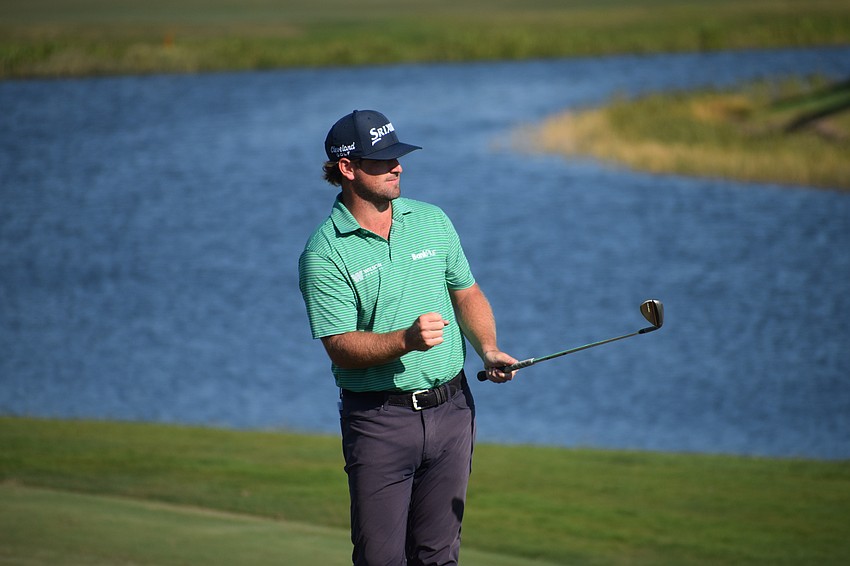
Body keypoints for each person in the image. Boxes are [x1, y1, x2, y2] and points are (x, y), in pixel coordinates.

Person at [298, 109, 517, 566]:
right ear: (347, 169)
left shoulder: (431, 220)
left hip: (453, 409)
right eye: (382, 160)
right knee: (381, 560)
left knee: (439, 556)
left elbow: (467, 291)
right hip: (379, 421)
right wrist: (405, 341)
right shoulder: (325, 252)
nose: (398, 167)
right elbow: (339, 345)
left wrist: (488, 347)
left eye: (397, 157)